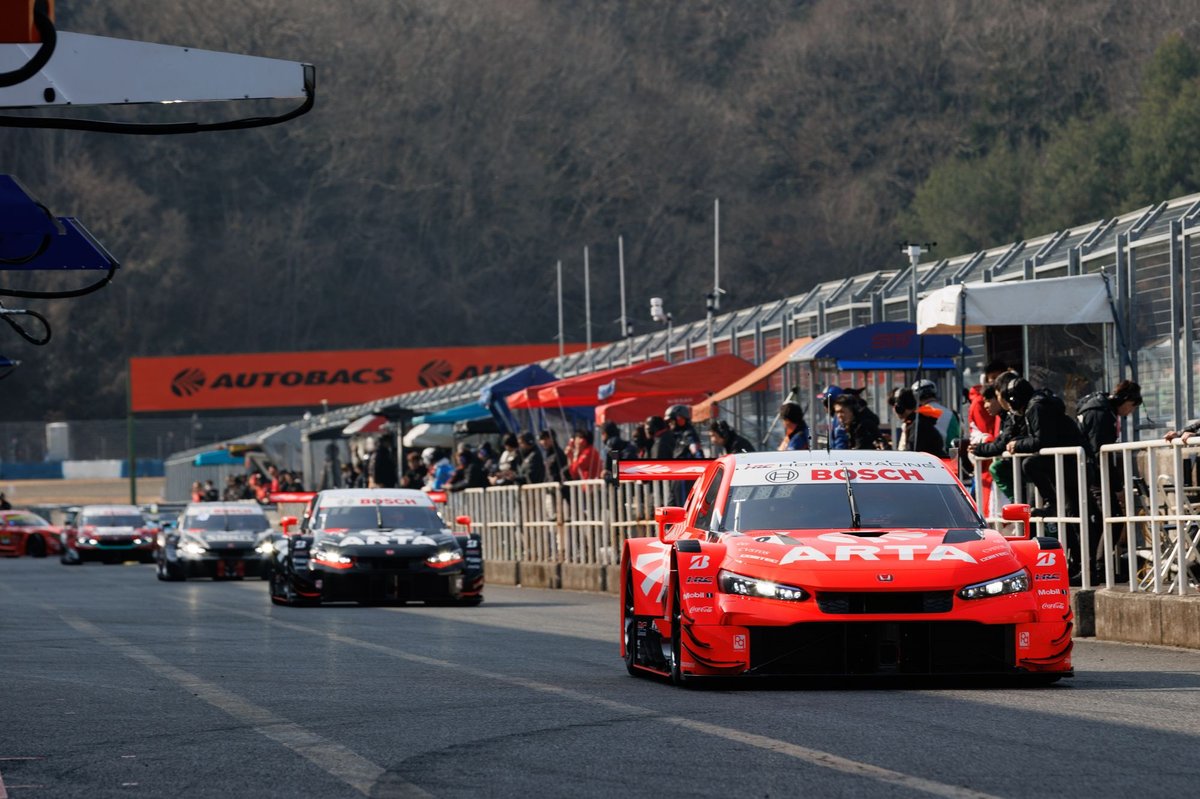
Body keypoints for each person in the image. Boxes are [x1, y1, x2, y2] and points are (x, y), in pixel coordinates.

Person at [1003, 378, 1089, 581]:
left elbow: (1043, 440)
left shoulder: (1036, 407)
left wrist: (1017, 444)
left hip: (1069, 465)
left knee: (1073, 517)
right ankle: (1079, 565)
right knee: (1070, 517)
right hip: (1069, 464)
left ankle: (1084, 567)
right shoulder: (1040, 403)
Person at [889, 387, 946, 457]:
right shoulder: (917, 422)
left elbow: (911, 454)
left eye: (895, 406)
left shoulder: (917, 426)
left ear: (899, 408)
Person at [911, 379, 961, 450]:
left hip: (920, 457)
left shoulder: (915, 414)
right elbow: (953, 440)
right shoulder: (950, 414)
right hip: (943, 457)